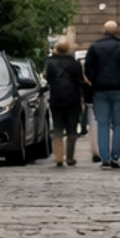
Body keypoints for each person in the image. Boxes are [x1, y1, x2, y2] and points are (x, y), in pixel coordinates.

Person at [82, 19, 120, 171]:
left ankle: (104, 157)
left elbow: (88, 68)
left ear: (103, 31)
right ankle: (115, 156)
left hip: (100, 90)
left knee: (102, 124)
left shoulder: (95, 47)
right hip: (119, 90)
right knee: (118, 125)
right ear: (116, 32)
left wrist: (94, 81)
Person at [44, 36, 84, 167]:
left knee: (57, 128)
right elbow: (80, 81)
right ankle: (70, 157)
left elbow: (48, 79)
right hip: (72, 99)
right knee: (71, 130)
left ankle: (59, 157)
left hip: (56, 98)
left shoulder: (50, 63)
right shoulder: (74, 63)